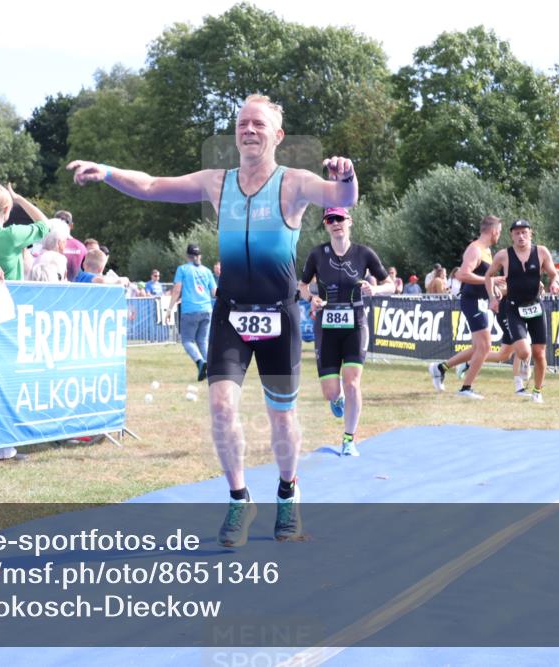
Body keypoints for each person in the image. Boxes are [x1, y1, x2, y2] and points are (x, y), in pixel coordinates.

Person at [67, 93, 357, 546]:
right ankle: (240, 499)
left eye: (258, 124)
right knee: (221, 406)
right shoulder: (216, 182)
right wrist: (105, 172)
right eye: (243, 123)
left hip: (278, 315)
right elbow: (149, 186)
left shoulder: (294, 182)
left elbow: (342, 197)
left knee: (281, 417)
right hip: (230, 313)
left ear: (277, 135)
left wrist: (348, 176)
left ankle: (287, 492)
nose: (249, 130)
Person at [299, 207, 392, 457]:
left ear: (349, 221)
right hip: (326, 328)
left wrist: (377, 291)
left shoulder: (364, 253)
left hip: (356, 324)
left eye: (340, 218)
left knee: (352, 383)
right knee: (331, 392)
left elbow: (390, 284)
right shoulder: (317, 254)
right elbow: (302, 285)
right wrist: (311, 299)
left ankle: (349, 439)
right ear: (326, 225)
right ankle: (337, 399)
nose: (336, 223)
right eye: (331, 220)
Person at [485, 219, 559, 404]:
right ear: (511, 235)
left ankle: (537, 391)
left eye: (524, 232)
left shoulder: (541, 251)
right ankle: (524, 370)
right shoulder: (503, 255)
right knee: (523, 352)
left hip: (535, 307)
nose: (521, 236)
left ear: (530, 233)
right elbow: (488, 276)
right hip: (514, 308)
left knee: (539, 353)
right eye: (517, 233)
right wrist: (492, 298)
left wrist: (554, 283)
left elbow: (554, 273)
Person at [428, 215, 505, 399]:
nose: (499, 236)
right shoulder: (475, 249)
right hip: (471, 301)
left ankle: (440, 368)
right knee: (485, 347)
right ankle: (466, 388)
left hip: (479, 301)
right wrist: (492, 280)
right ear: (494, 231)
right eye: (500, 232)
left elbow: (484, 279)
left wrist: (494, 290)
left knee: (478, 347)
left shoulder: (486, 251)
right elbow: (463, 275)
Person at [169, 244, 218, 381]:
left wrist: (169, 308)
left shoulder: (182, 269)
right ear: (200, 256)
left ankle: (200, 362)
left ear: (187, 256)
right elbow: (215, 292)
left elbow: (177, 290)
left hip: (190, 310)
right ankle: (212, 373)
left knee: (187, 341)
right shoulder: (207, 271)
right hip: (207, 310)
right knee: (203, 341)